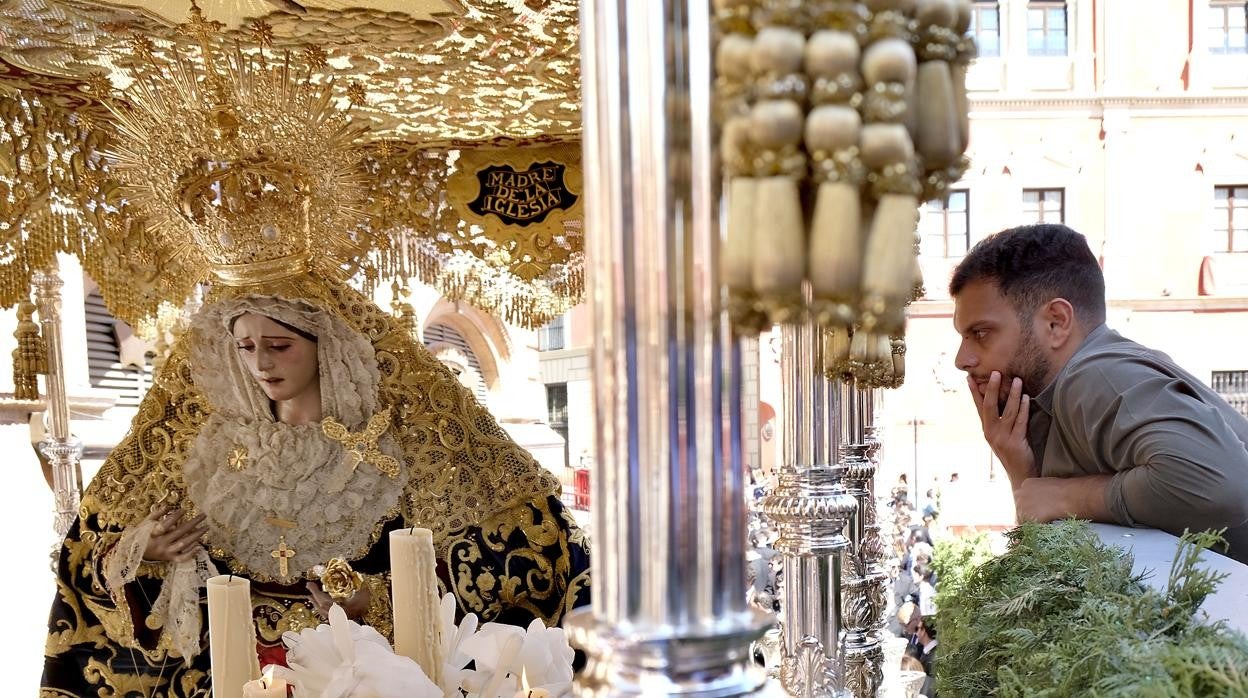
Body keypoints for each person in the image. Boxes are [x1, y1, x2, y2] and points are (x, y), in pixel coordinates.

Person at [950, 223, 1248, 562]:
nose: (963, 359)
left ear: (1056, 322)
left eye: (981, 333)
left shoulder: (1092, 375)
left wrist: (1066, 495)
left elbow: (1222, 486)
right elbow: (1045, 560)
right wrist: (1021, 470)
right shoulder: (1051, 400)